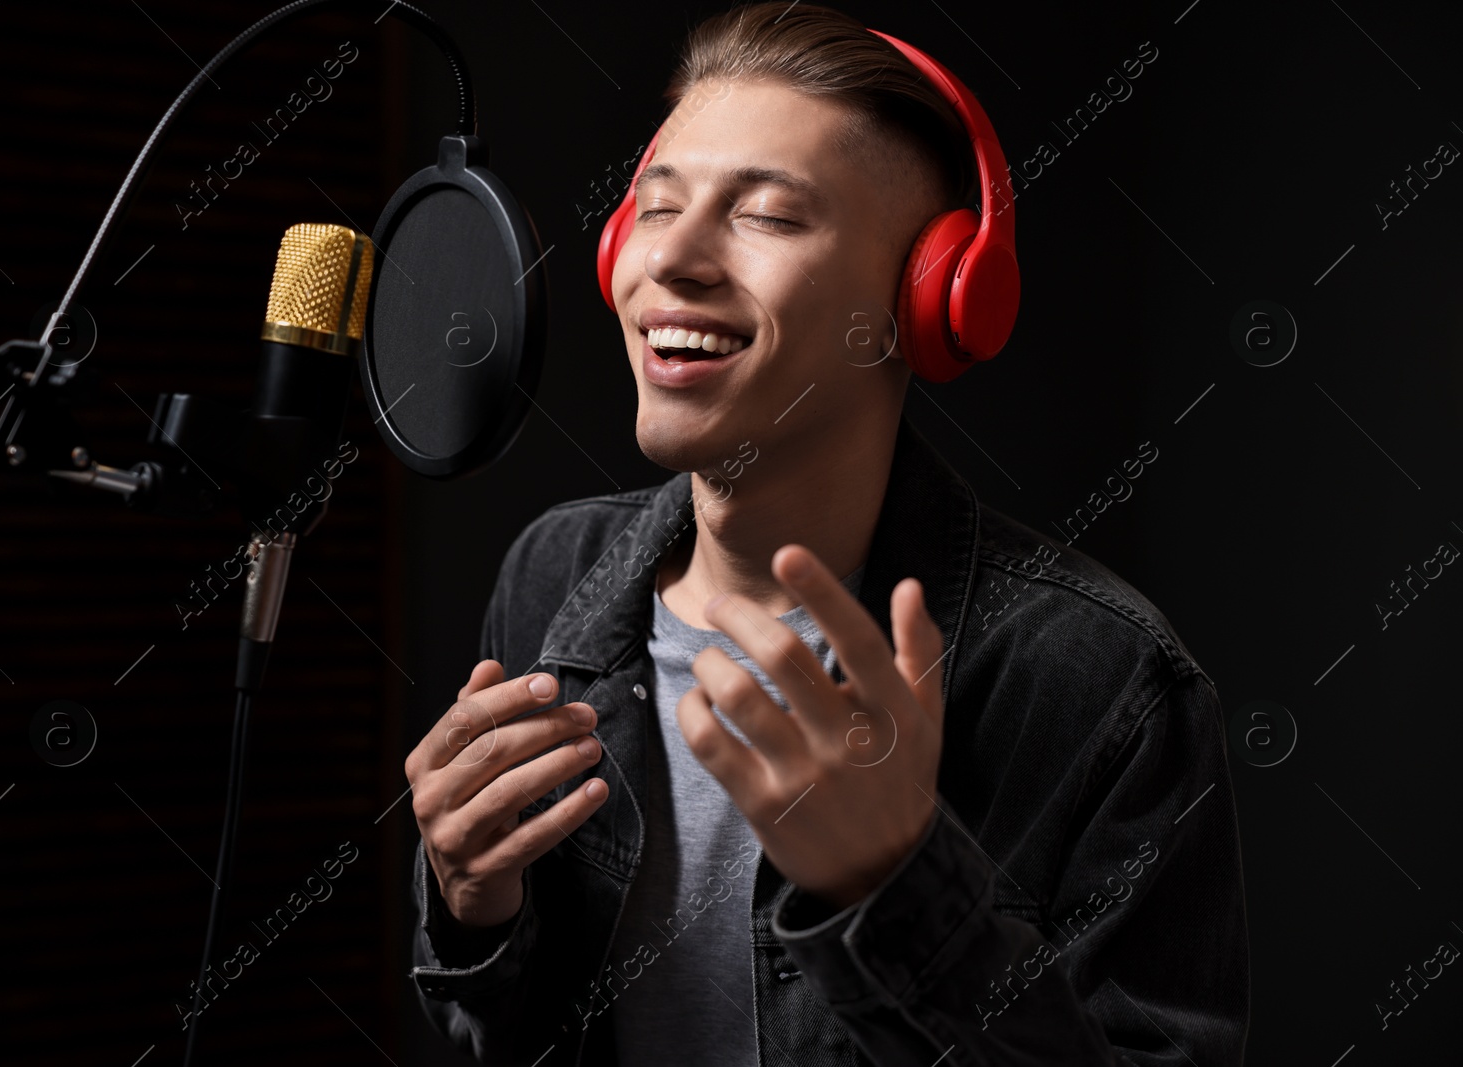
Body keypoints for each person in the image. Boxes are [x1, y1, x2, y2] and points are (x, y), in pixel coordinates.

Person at [403, 4, 1249, 1065]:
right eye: (655, 209)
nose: (678, 261)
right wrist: (473, 911)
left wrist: (896, 888)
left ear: (934, 298)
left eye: (766, 216)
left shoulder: (1103, 685)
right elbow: (500, 1034)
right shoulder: (551, 574)